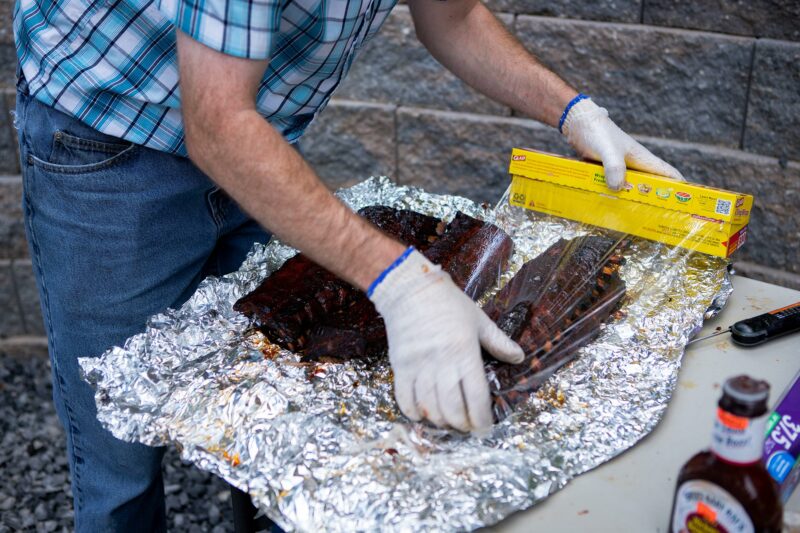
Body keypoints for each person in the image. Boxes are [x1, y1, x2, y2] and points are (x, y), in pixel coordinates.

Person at [13, 0, 684, 530]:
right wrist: (400, 281)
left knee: (264, 399)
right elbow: (215, 125)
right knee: (118, 464)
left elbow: (452, 17)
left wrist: (573, 113)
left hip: (255, 143)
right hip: (106, 141)